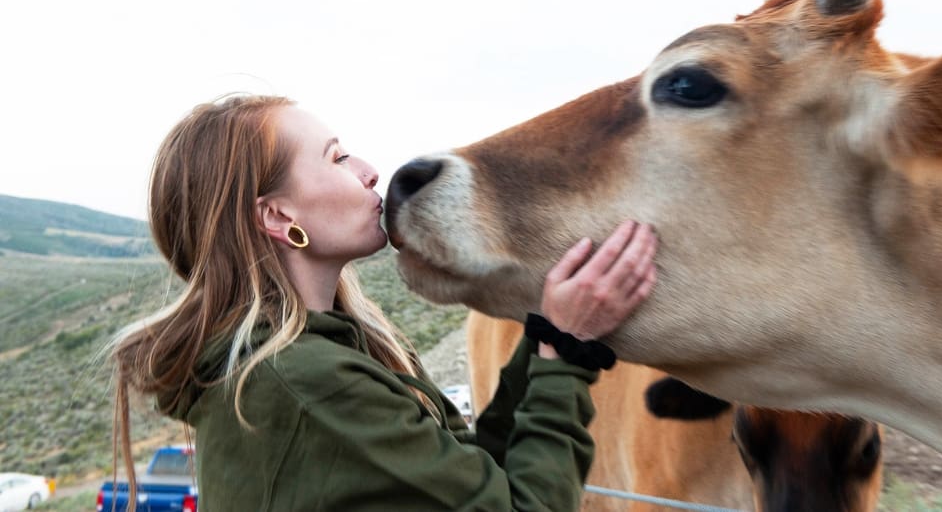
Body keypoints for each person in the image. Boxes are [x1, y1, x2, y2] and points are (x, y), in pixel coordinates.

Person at [108, 94, 658, 511]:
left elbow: (475, 477)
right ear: (277, 217)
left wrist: (546, 335)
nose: (368, 170)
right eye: (337, 157)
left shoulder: (331, 354)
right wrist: (567, 352)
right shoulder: (300, 381)